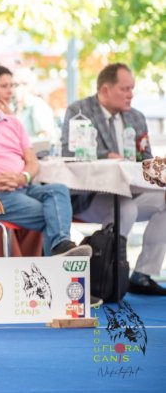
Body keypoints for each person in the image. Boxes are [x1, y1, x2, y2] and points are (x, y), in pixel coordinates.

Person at [0, 65, 90, 259]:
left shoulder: (13, 122)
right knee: (54, 216)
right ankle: (59, 260)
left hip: (20, 186)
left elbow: (33, 163)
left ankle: (60, 250)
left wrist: (23, 177)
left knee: (58, 191)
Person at [62, 63, 166, 295]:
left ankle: (142, 274)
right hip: (90, 197)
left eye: (132, 89)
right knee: (125, 208)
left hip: (130, 191)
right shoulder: (79, 111)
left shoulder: (136, 118)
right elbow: (69, 153)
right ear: (106, 90)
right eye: (125, 89)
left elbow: (145, 159)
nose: (131, 95)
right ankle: (108, 273)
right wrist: (106, 156)